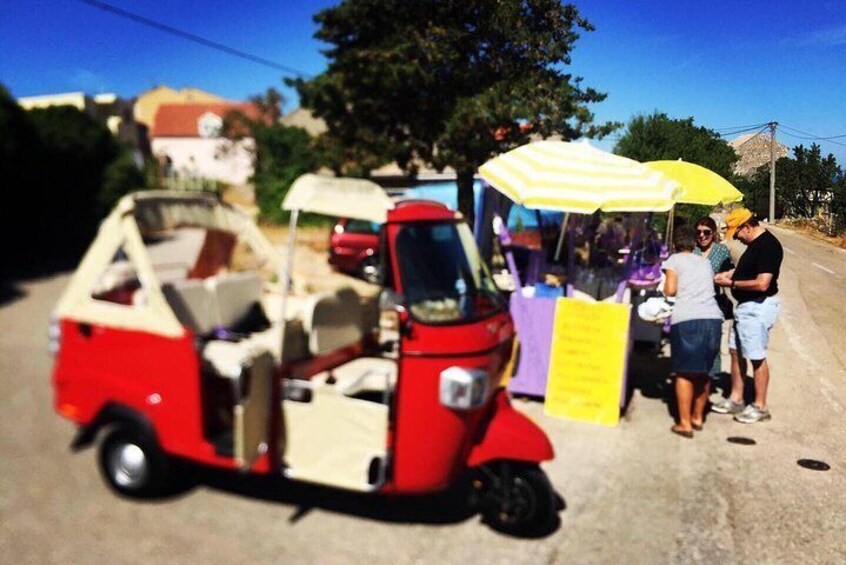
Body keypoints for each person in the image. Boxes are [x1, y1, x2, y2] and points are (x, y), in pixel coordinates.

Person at [712, 208, 783, 424]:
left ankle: (760, 406)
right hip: (745, 307)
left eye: (738, 233)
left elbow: (762, 283)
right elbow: (746, 270)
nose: (737, 238)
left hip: (757, 307)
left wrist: (731, 283)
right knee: (736, 351)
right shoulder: (753, 246)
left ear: (747, 227)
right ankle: (736, 398)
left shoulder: (768, 246)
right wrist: (729, 274)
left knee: (756, 356)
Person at [662, 225, 724, 438]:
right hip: (713, 320)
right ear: (694, 243)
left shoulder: (674, 260)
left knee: (684, 373)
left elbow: (670, 289)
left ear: (674, 245)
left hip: (688, 319)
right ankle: (698, 416)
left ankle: (685, 423)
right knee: (702, 372)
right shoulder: (704, 262)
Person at [693, 217, 734, 376]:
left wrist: (718, 278)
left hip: (714, 305)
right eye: (698, 232)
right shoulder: (692, 250)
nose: (702, 236)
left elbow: (731, 274)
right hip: (693, 304)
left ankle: (712, 376)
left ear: (713, 233)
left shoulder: (721, 252)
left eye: (706, 232)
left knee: (712, 344)